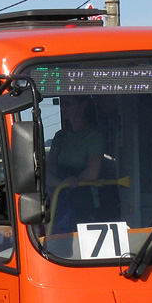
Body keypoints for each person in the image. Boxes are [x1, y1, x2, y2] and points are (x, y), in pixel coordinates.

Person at [47, 96, 104, 231]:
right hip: (60, 200)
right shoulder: (60, 136)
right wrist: (61, 184)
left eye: (68, 103)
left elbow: (93, 172)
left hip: (84, 199)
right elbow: (48, 170)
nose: (63, 108)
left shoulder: (93, 134)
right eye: (62, 104)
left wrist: (75, 181)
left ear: (83, 105)